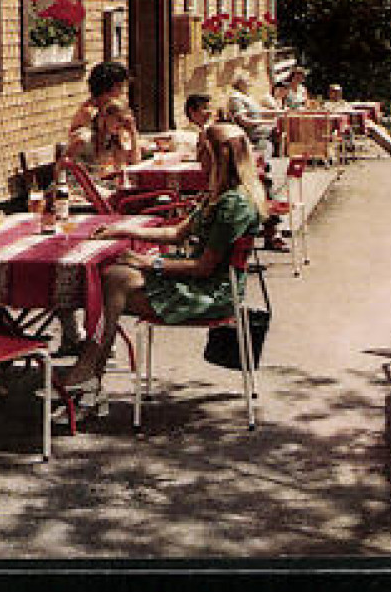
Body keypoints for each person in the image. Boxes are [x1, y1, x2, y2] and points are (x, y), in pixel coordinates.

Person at [54, 122, 266, 403]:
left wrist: (147, 263)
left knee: (112, 283)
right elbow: (176, 233)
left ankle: (88, 374)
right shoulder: (220, 195)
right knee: (113, 279)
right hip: (200, 282)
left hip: (212, 294)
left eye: (202, 150)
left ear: (220, 156)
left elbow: (204, 267)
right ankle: (90, 376)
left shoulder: (233, 204)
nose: (198, 157)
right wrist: (125, 230)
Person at [67, 98, 141, 179]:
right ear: (105, 117)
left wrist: (133, 133)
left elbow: (134, 163)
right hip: (78, 185)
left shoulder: (115, 140)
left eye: (125, 121)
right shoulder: (84, 138)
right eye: (119, 119)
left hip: (99, 185)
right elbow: (63, 163)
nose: (122, 124)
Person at [69, 60, 130, 136]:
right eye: (119, 86)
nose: (122, 91)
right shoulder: (89, 114)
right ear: (106, 88)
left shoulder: (115, 106)